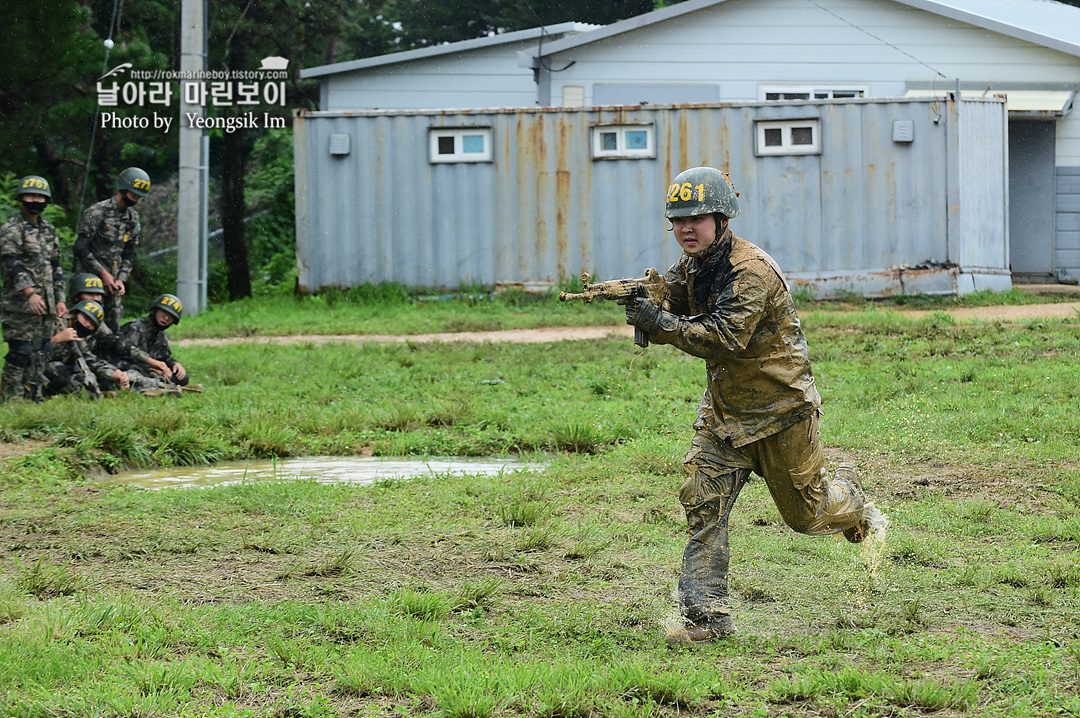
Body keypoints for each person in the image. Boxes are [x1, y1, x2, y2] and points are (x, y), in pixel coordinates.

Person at [621, 166, 887, 645]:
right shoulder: (695, 264)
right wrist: (644, 294)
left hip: (780, 414)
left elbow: (724, 338)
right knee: (705, 507)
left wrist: (657, 323)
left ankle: (854, 500)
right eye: (677, 220)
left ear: (722, 220)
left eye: (697, 219)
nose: (685, 228)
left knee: (808, 517)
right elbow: (677, 298)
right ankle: (706, 621)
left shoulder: (750, 271)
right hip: (724, 416)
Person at [0, 175, 68, 401]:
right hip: (19, 304)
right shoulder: (12, 228)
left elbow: (56, 266)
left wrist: (60, 299)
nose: (35, 200)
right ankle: (11, 399)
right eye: (31, 195)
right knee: (21, 352)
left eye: (40, 196)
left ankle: (34, 398)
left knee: (43, 352)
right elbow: (10, 262)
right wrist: (29, 293)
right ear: (21, 198)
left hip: (46, 304)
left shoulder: (49, 230)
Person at [68, 273, 176, 395]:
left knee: (126, 367)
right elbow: (85, 357)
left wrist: (151, 362)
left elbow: (118, 343)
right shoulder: (66, 320)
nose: (96, 299)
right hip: (73, 366)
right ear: (76, 297)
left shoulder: (96, 322)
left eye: (98, 294)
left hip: (93, 363)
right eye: (90, 294)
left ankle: (156, 385)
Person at [73, 167, 150, 331]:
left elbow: (130, 252)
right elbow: (80, 247)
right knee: (86, 326)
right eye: (132, 194)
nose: (135, 199)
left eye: (138, 196)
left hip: (113, 284)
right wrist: (103, 274)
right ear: (122, 189)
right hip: (90, 283)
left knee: (112, 330)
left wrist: (121, 278)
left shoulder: (132, 218)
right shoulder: (97, 212)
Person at [40, 299, 131, 398]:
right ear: (75, 313)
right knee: (58, 369)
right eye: (86, 318)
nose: (88, 324)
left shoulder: (80, 336)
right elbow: (32, 354)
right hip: (40, 370)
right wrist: (56, 340)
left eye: (92, 324)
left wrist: (112, 373)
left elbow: (87, 358)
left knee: (91, 379)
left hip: (68, 371)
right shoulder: (52, 324)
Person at [117, 293, 199, 393]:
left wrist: (175, 364)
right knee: (136, 374)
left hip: (145, 368)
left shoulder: (160, 333)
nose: (166, 318)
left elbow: (164, 356)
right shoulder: (135, 327)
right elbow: (127, 354)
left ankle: (161, 385)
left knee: (182, 378)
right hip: (125, 365)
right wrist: (153, 368)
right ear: (155, 311)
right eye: (163, 312)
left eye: (171, 316)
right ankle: (160, 386)